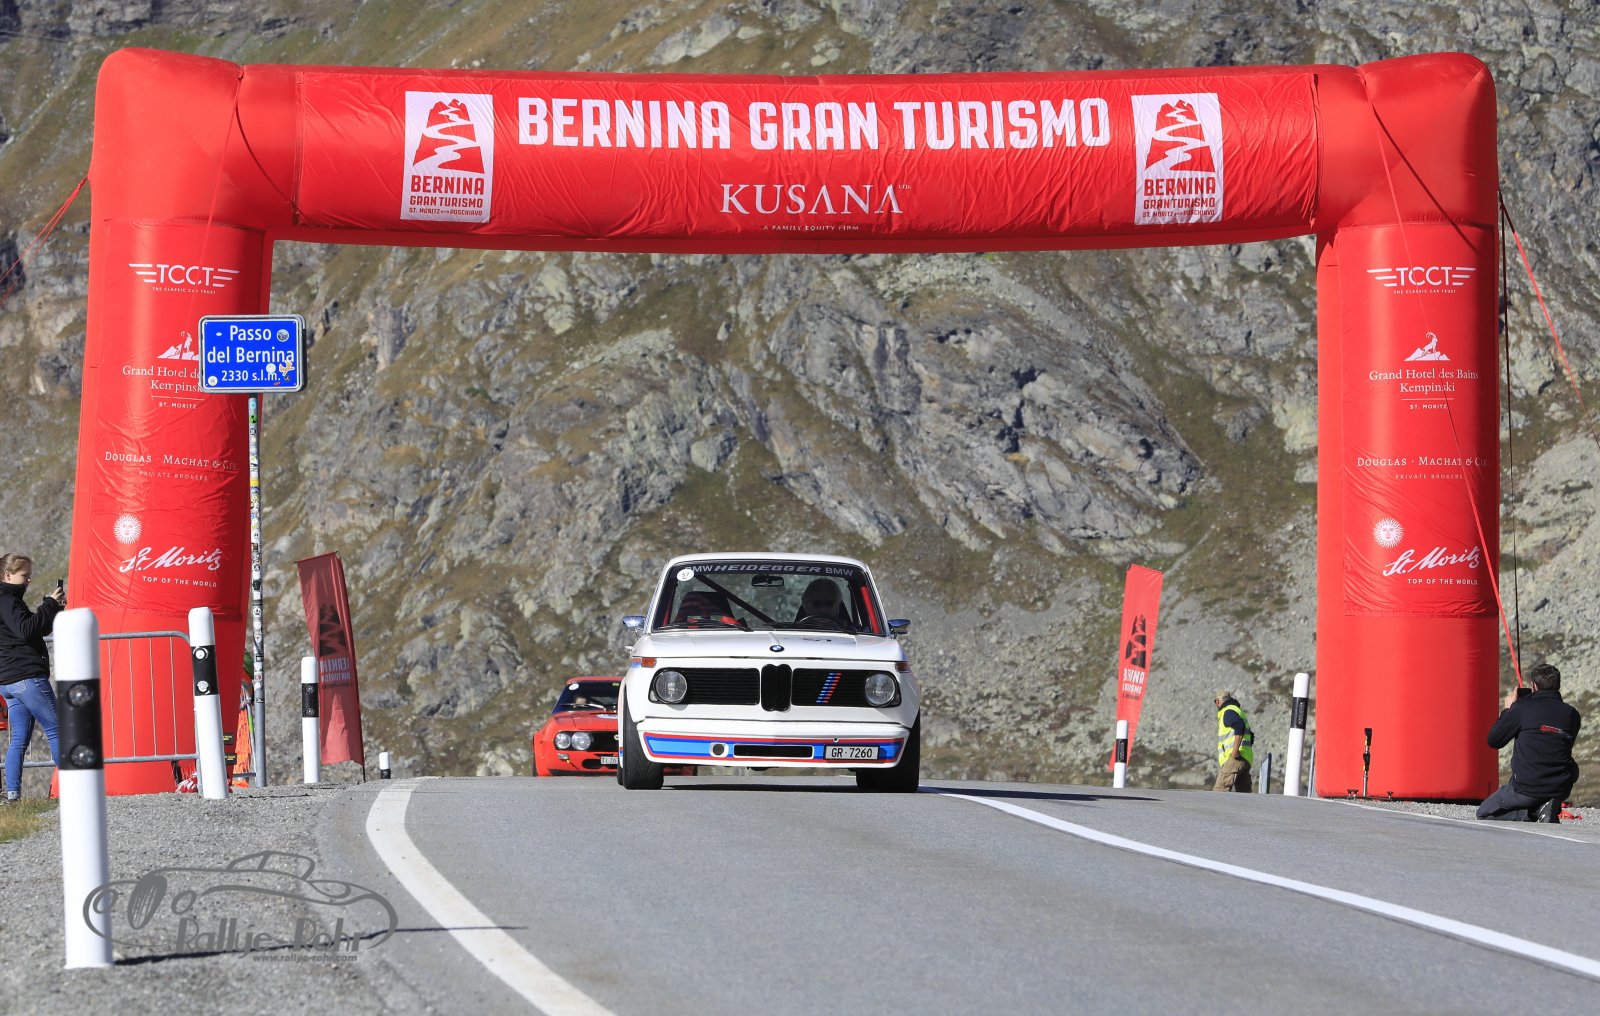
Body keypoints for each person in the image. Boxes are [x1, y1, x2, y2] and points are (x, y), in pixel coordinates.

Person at [1477, 663, 1581, 822]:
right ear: (1558, 686)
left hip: (1526, 788)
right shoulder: (1572, 714)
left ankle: (1534, 813)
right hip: (1561, 786)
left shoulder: (1522, 708)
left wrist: (1508, 711)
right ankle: (1547, 804)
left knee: (1483, 813)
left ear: (1534, 685)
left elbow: (1494, 740)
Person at [0, 554, 67, 802]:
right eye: (24, 575)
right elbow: (27, 630)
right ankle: (73, 788)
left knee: (18, 740)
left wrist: (53, 607)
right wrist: (48, 604)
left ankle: (13, 796)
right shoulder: (7, 600)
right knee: (57, 729)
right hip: (27, 677)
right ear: (8, 575)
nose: (28, 580)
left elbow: (35, 629)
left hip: (9, 681)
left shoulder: (9, 600)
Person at [1212, 690, 1254, 793]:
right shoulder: (1238, 711)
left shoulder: (1228, 711)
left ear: (1218, 701)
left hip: (1236, 758)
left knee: (1219, 790)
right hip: (1246, 758)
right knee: (1244, 795)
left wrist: (1235, 751)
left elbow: (1239, 726)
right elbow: (1251, 736)